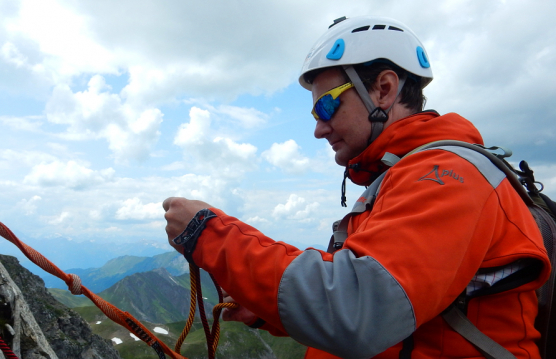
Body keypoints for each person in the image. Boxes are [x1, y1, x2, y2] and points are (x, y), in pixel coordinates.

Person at [163, 16, 551, 358]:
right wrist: (266, 312)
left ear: (383, 89)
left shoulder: (448, 175)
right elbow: (388, 293)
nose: (318, 128)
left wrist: (207, 232)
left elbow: (359, 309)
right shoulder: (401, 177)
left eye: (327, 107)